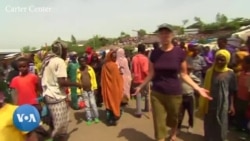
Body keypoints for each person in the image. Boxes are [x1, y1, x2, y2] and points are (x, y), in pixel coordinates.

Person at [133, 23, 211, 141]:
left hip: (174, 93)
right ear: (159, 36)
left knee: (174, 118)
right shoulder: (154, 53)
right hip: (157, 93)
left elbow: (184, 74)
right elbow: (151, 73)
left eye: (167, 33)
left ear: (172, 35)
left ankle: (173, 134)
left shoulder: (179, 53)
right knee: (159, 122)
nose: (165, 35)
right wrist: (141, 86)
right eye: (162, 33)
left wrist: (198, 88)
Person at [40, 41, 81, 141]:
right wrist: (78, 84)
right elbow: (62, 82)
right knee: (61, 128)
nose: (66, 53)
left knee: (54, 123)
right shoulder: (59, 61)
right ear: (61, 50)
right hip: (56, 96)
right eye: (65, 51)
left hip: (48, 95)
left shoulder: (48, 60)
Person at [198, 49, 236, 141]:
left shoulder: (230, 73)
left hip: (223, 103)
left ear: (227, 60)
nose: (219, 62)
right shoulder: (209, 72)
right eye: (218, 59)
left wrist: (231, 105)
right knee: (209, 122)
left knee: (221, 122)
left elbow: (232, 91)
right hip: (210, 101)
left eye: (222, 60)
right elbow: (205, 88)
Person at [101, 51, 123, 126]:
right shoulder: (114, 66)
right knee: (115, 102)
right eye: (114, 57)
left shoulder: (104, 66)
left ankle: (109, 119)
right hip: (115, 88)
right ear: (110, 57)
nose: (115, 58)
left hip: (107, 88)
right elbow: (118, 79)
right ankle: (114, 118)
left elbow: (102, 79)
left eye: (115, 56)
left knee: (109, 103)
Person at [178, 65, 200, 133]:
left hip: (190, 96)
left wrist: (194, 86)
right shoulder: (179, 76)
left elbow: (199, 82)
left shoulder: (192, 76)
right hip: (181, 96)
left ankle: (190, 126)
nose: (188, 71)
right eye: (187, 70)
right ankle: (178, 127)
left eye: (189, 70)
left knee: (191, 113)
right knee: (180, 113)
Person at [77, 56, 99, 125]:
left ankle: (96, 117)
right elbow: (77, 81)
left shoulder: (90, 69)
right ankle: (89, 118)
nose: (83, 63)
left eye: (84, 61)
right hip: (84, 91)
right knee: (87, 105)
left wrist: (95, 88)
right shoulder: (78, 71)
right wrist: (79, 92)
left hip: (91, 89)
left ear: (86, 61)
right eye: (81, 62)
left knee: (93, 104)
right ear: (79, 63)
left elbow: (94, 79)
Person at [131, 44, 149, 118]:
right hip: (144, 79)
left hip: (136, 78)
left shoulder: (134, 58)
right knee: (147, 93)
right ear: (144, 50)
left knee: (138, 95)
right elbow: (145, 70)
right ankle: (146, 108)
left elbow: (132, 69)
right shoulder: (145, 58)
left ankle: (139, 111)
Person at [234, 55, 250, 138]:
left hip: (246, 100)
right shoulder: (241, 73)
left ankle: (245, 130)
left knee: (246, 116)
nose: (242, 64)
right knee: (239, 113)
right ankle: (239, 127)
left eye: (244, 63)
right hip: (239, 97)